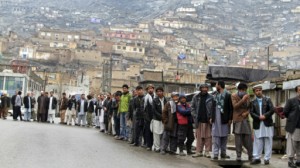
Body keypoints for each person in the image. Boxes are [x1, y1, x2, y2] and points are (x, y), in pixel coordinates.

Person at [250, 84, 275, 165]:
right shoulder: (252, 102)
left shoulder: (268, 99)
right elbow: (251, 112)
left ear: (262, 91)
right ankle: (257, 158)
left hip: (267, 123)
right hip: (258, 123)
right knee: (257, 141)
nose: (258, 92)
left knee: (268, 140)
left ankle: (267, 158)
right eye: (257, 91)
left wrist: (265, 116)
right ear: (254, 92)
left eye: (260, 90)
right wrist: (258, 117)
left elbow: (272, 110)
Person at [210, 81, 233, 160]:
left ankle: (223, 153)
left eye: (216, 84)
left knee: (224, 137)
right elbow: (212, 108)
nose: (215, 86)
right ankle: (215, 154)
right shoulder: (214, 95)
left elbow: (230, 108)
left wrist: (230, 118)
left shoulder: (228, 95)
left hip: (224, 119)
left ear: (219, 85)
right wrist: (211, 117)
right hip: (216, 119)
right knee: (216, 137)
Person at [231, 83, 252, 162]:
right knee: (238, 139)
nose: (244, 92)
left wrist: (247, 113)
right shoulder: (233, 95)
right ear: (239, 90)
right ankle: (238, 155)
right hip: (237, 119)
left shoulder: (248, 96)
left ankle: (250, 155)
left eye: (245, 90)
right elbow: (235, 106)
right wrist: (243, 99)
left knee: (248, 138)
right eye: (242, 90)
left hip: (245, 119)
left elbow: (250, 107)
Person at [191, 84, 213, 158]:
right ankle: (199, 152)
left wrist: (211, 117)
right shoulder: (196, 97)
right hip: (199, 120)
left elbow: (213, 108)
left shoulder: (211, 97)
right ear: (200, 89)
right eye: (203, 88)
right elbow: (192, 107)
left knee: (208, 137)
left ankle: (207, 152)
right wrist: (194, 115)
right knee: (199, 137)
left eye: (206, 88)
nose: (204, 89)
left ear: (207, 89)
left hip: (207, 120)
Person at [284, 85, 300, 168]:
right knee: (292, 144)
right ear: (297, 91)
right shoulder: (291, 101)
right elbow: (285, 112)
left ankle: (298, 160)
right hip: (294, 126)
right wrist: (292, 118)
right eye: (299, 90)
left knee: (299, 145)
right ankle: (290, 161)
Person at [152, 86, 167, 152]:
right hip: (156, 119)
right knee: (156, 133)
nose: (159, 93)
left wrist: (165, 118)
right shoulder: (154, 100)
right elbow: (154, 110)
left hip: (164, 120)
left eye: (160, 91)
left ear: (163, 92)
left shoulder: (166, 100)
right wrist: (161, 117)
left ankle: (163, 147)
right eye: (157, 91)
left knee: (163, 133)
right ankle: (157, 147)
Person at [143, 84, 155, 151]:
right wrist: (146, 116)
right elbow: (143, 108)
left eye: (151, 88)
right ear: (147, 90)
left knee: (154, 132)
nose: (150, 89)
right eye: (149, 88)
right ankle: (148, 145)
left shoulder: (156, 97)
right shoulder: (145, 98)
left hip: (155, 117)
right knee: (148, 132)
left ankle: (154, 145)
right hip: (147, 117)